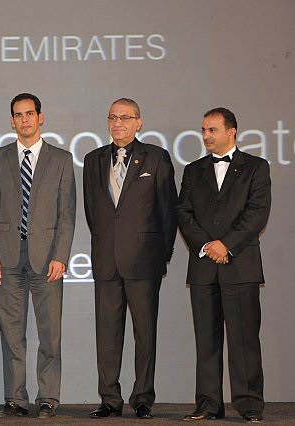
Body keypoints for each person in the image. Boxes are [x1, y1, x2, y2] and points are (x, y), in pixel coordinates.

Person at [0, 93, 76, 419]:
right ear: (12, 121)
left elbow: (67, 215)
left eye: (29, 114)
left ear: (40, 117)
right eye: (18, 115)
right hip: (7, 258)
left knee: (50, 333)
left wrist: (61, 256)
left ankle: (48, 397)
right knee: (12, 334)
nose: (24, 120)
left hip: (46, 258)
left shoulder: (61, 159)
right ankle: (16, 399)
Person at [83, 98, 177, 419]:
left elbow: (167, 211)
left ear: (139, 122)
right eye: (112, 117)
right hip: (107, 260)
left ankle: (142, 398)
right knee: (107, 335)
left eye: (124, 117)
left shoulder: (156, 157)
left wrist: (161, 256)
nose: (117, 123)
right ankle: (110, 398)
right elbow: (93, 213)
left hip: (144, 261)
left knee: (144, 334)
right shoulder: (93, 160)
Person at [177, 108, 270, 423]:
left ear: (232, 132)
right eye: (203, 130)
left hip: (240, 265)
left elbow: (257, 213)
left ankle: (249, 406)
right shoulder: (193, 170)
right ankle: (208, 405)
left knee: (244, 340)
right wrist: (207, 246)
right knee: (206, 339)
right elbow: (184, 213)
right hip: (204, 267)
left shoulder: (256, 167)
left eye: (212, 130)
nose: (206, 136)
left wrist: (226, 244)